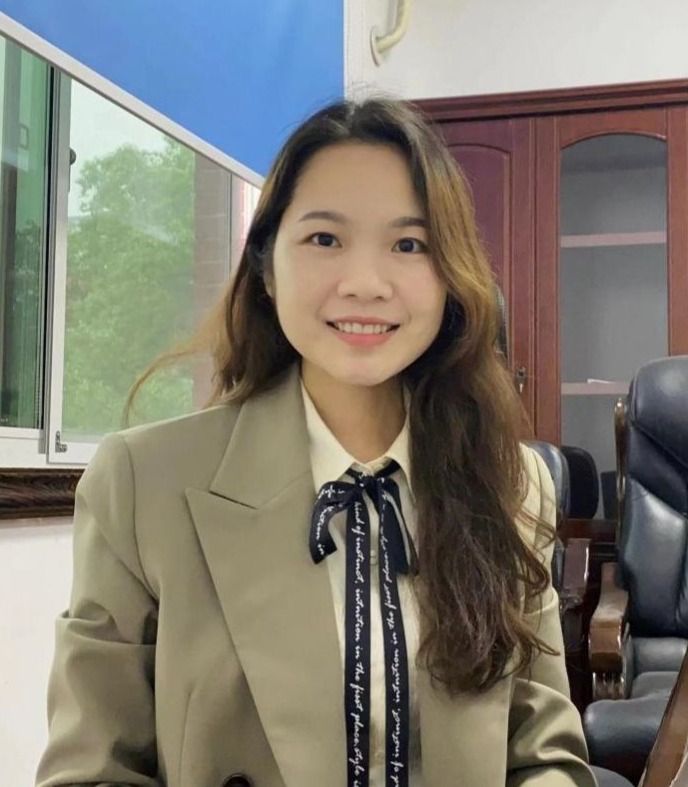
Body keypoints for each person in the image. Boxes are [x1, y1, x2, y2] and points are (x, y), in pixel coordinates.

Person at [36, 98, 594, 787]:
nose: (365, 284)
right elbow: (92, 769)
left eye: (409, 244)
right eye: (325, 239)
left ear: (451, 276)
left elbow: (545, 756)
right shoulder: (142, 482)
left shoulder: (510, 484)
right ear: (267, 269)